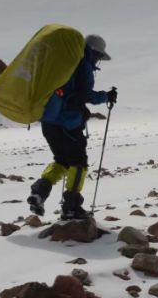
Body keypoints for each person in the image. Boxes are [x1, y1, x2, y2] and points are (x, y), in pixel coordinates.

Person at [27, 34, 117, 220]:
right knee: (79, 163)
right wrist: (106, 96)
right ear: (94, 52)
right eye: (99, 56)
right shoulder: (82, 66)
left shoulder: (64, 64)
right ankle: (71, 207)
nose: (99, 60)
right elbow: (87, 95)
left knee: (61, 161)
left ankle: (39, 192)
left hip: (48, 122)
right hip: (68, 124)